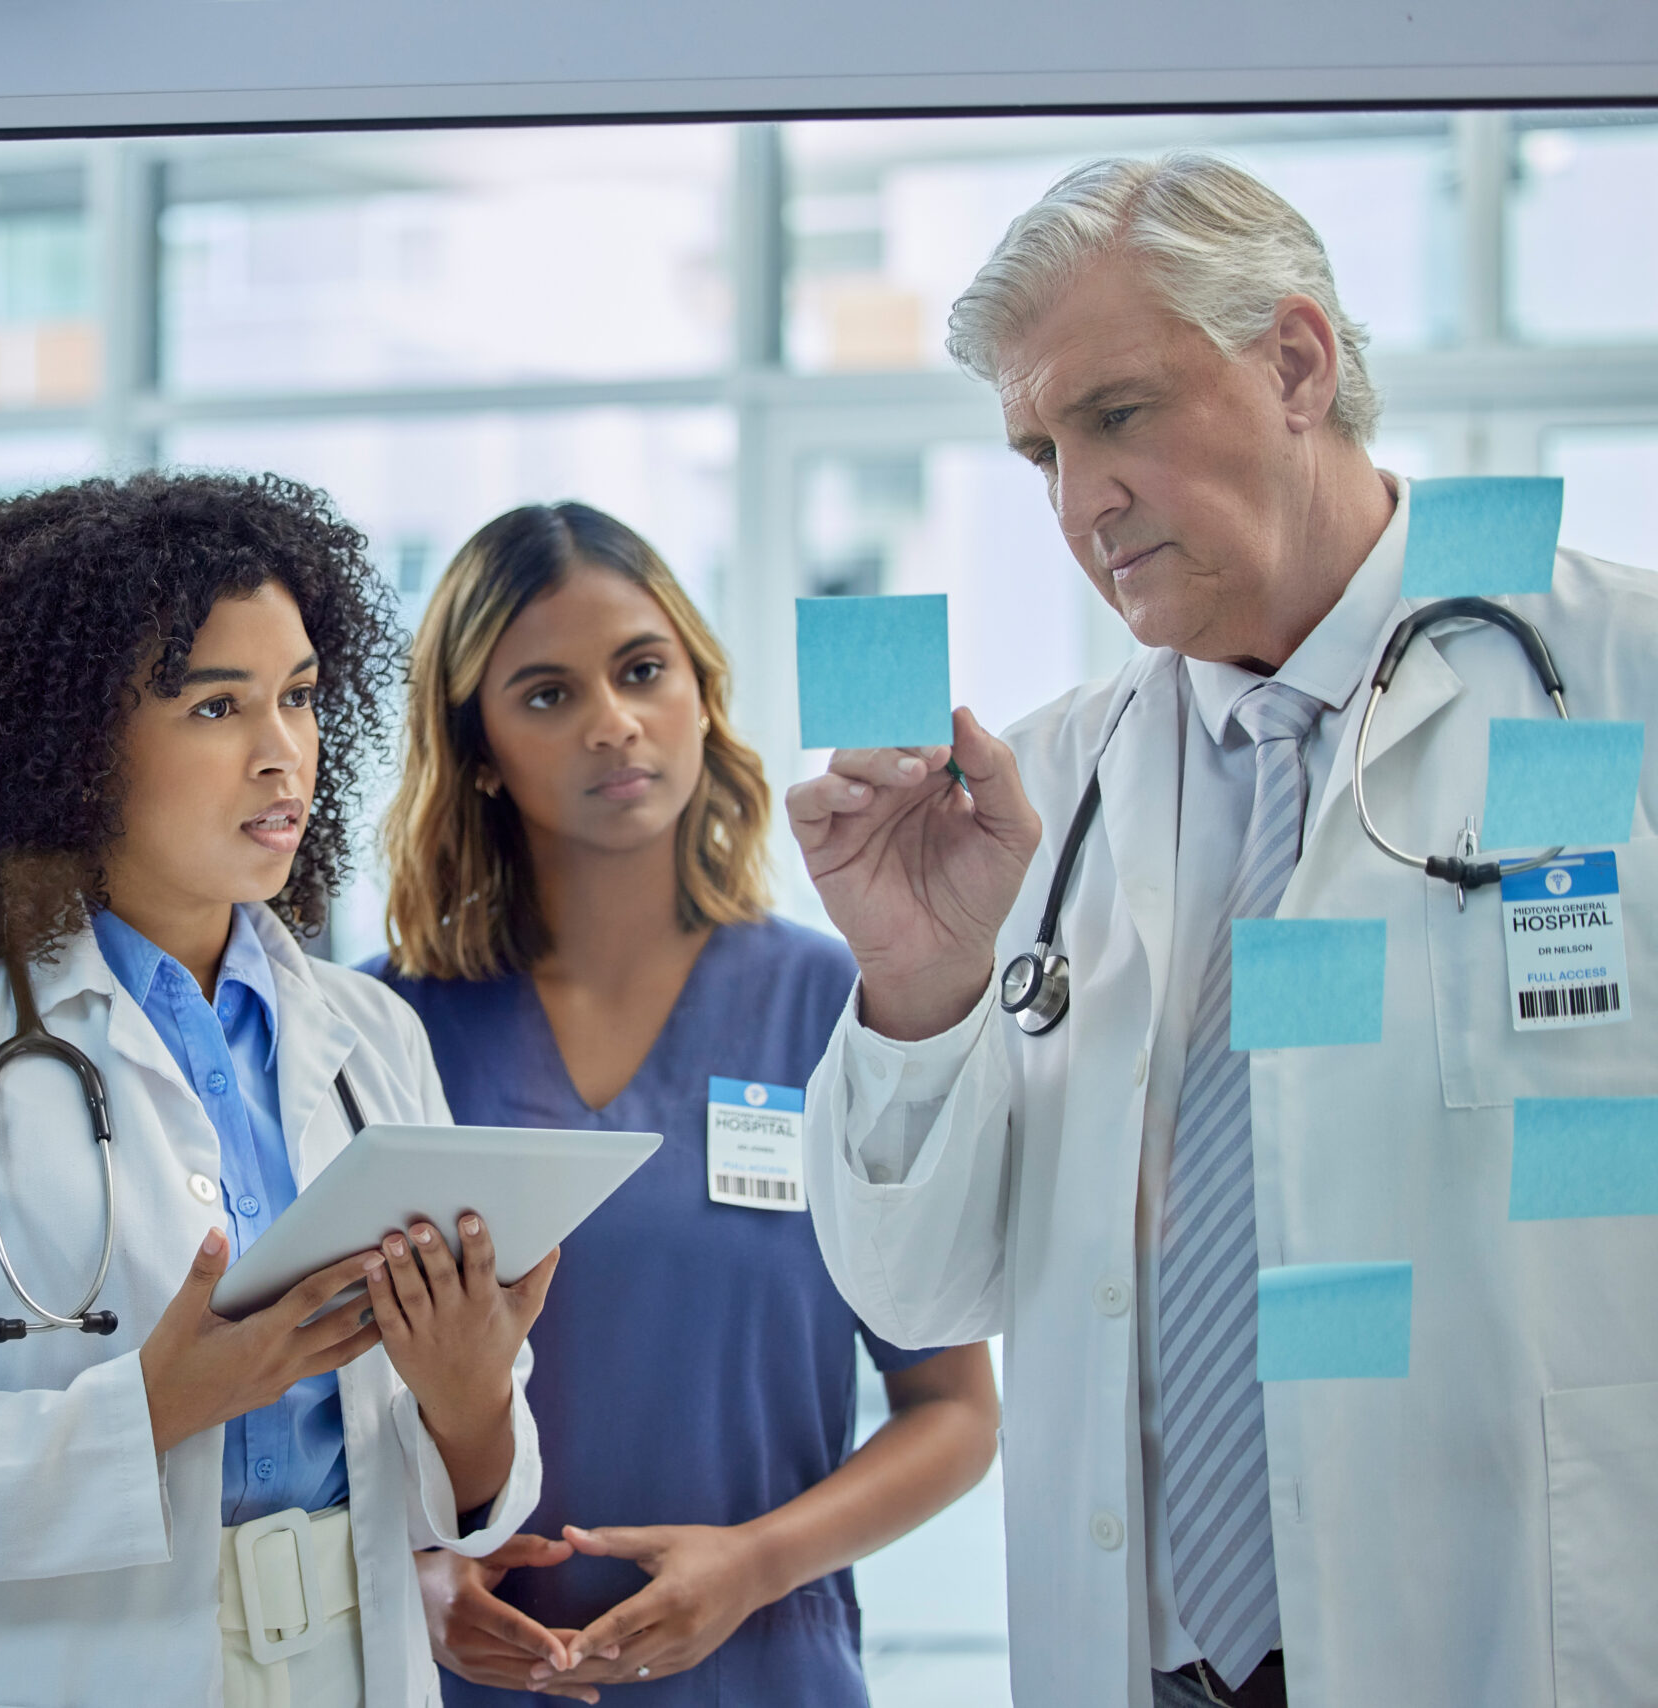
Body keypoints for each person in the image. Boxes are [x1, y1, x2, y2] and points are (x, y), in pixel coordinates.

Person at [788, 153, 1658, 1708]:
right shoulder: (1045, 797)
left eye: (1116, 415)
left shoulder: (1614, 686)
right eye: (1037, 451)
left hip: (1517, 1637)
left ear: (1297, 365)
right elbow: (920, 1304)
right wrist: (919, 990)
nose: (1076, 502)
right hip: (1152, 1667)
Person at [0, 471, 555, 1708]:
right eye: (217, 706)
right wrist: (142, 1413)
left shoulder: (369, 1037)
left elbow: (447, 1496)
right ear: (68, 746)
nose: (282, 753)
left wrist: (471, 1400)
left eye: (302, 697)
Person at [371, 502, 1000, 1705]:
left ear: (700, 694)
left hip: (766, 1673)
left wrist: (756, 1564)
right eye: (547, 695)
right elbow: (302, 1411)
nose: (613, 724)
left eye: (642, 670)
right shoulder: (377, 1034)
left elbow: (955, 1411)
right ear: (481, 750)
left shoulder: (837, 1008)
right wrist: (413, 1575)